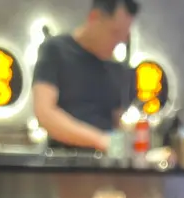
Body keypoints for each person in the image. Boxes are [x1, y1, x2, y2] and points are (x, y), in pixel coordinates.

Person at [32, 0, 138, 152]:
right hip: (63, 159)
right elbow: (45, 112)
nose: (118, 42)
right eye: (114, 32)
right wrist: (100, 140)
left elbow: (118, 122)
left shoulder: (116, 68)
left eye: (123, 36)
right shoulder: (56, 50)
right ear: (94, 17)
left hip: (106, 162)